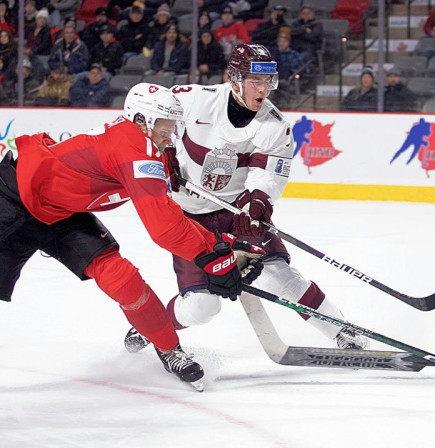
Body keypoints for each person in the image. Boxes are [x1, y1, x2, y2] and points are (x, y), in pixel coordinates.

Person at [3, 83, 260, 390]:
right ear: (142, 121)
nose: (170, 135)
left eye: (172, 127)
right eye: (165, 127)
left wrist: (222, 246)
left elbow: (170, 215)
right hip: (13, 201)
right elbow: (164, 227)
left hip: (62, 211)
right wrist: (215, 259)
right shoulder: (135, 149)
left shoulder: (141, 141)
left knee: (122, 278)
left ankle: (168, 348)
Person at [122, 44, 369, 355]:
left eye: (268, 82)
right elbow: (147, 119)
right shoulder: (193, 98)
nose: (263, 89)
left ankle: (342, 331)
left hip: (236, 212)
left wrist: (257, 203)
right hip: (188, 217)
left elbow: (267, 174)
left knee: (279, 274)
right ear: (234, 78)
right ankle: (152, 324)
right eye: (256, 81)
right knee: (201, 307)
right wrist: (163, 152)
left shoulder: (275, 125)